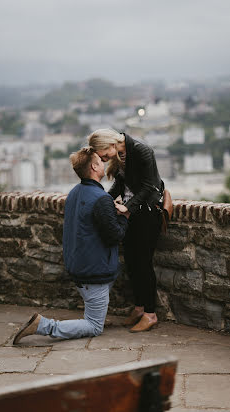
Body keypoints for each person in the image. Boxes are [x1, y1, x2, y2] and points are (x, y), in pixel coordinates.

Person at [13, 147, 129, 344]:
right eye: (100, 161)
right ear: (94, 166)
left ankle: (90, 316)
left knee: (93, 313)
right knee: (94, 326)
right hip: (94, 271)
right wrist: (125, 217)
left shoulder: (75, 192)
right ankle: (43, 325)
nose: (104, 163)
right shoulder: (101, 199)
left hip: (80, 265)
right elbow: (114, 236)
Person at [88, 129, 164, 332]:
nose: (102, 159)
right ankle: (139, 308)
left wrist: (128, 207)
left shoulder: (141, 150)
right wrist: (101, 199)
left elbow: (150, 186)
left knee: (143, 263)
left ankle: (150, 314)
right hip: (132, 215)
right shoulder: (121, 155)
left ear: (107, 145)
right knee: (131, 261)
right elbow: (120, 186)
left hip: (147, 213)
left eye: (102, 154)